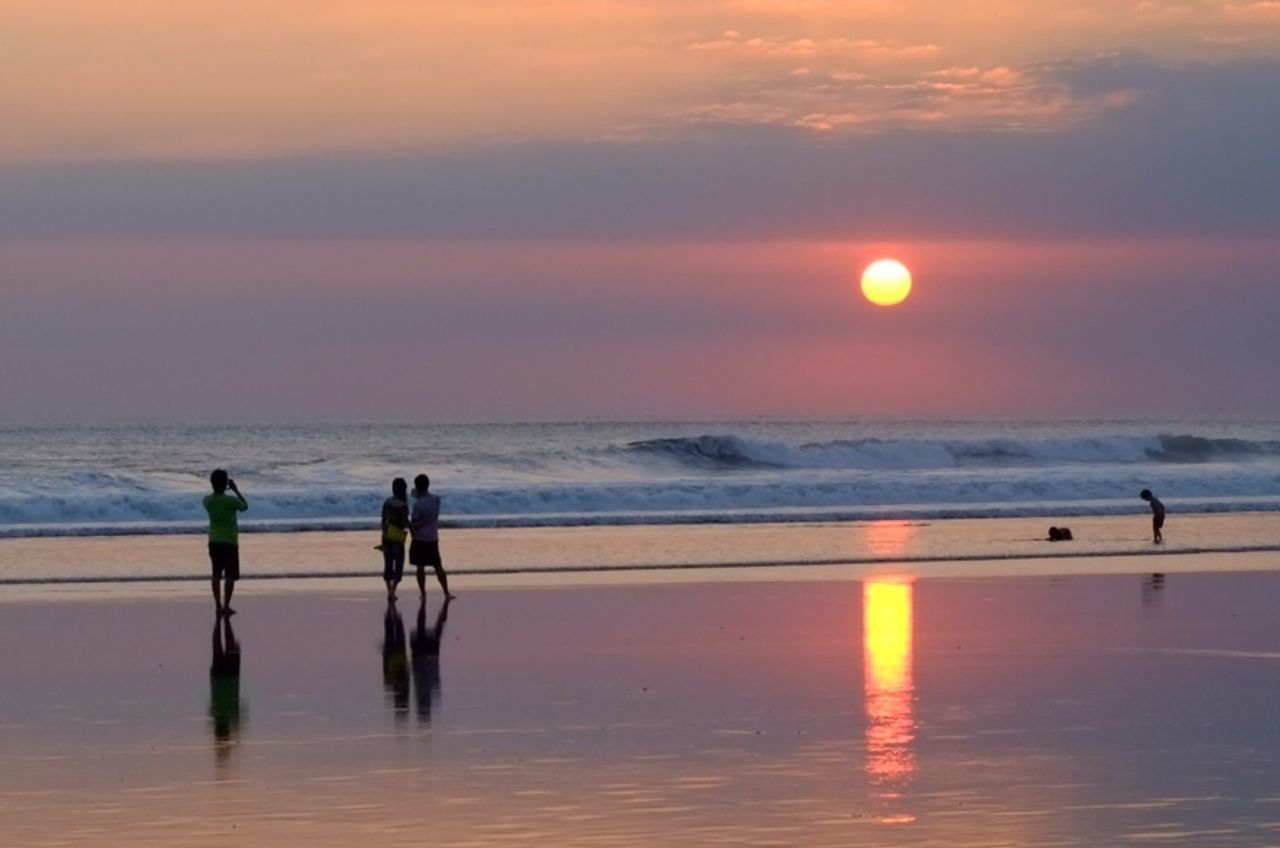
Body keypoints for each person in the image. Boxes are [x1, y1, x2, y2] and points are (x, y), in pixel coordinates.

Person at [204, 469, 248, 615]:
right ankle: (226, 605)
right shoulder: (232, 501)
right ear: (225, 484)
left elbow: (211, 500)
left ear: (212, 483)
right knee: (230, 576)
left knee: (216, 574)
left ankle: (218, 605)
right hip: (230, 541)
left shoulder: (207, 501)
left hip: (214, 541)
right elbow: (244, 506)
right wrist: (236, 490)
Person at [409, 474, 455, 600]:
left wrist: (412, 498)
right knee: (438, 565)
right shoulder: (436, 499)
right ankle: (446, 592)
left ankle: (423, 593)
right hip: (432, 537)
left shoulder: (417, 505)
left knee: (420, 567)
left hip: (419, 538)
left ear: (417, 487)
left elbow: (415, 522)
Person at [380, 478, 410, 600]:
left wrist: (384, 534)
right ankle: (393, 590)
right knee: (398, 564)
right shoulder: (403, 505)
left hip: (386, 535)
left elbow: (383, 519)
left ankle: (389, 591)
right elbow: (404, 522)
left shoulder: (387, 502)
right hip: (397, 537)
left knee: (388, 564)